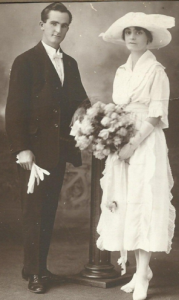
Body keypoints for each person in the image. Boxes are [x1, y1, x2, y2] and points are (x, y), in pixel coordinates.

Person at [5, 2, 90, 294]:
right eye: (53, 23)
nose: (58, 30)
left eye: (64, 25)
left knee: (47, 212)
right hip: (33, 155)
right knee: (34, 213)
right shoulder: (25, 61)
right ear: (42, 25)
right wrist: (22, 149)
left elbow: (82, 99)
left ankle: (36, 266)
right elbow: (14, 111)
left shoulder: (71, 63)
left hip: (58, 151)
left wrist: (82, 112)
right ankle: (36, 273)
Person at [97, 12, 176, 300]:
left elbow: (155, 115)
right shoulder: (121, 71)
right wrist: (114, 138)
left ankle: (142, 273)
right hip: (123, 141)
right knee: (125, 201)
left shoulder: (157, 72)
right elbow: (119, 109)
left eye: (138, 32)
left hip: (145, 141)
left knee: (144, 203)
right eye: (128, 31)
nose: (132, 36)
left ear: (148, 38)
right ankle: (136, 269)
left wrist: (133, 143)